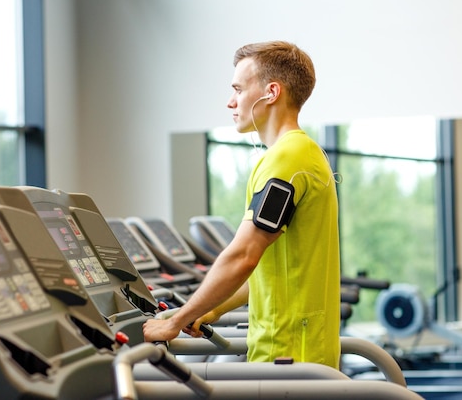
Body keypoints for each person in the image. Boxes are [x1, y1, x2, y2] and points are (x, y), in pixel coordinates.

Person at [143, 40, 341, 368]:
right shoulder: (300, 153)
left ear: (271, 92)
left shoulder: (287, 159)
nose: (230, 102)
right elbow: (266, 272)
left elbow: (243, 257)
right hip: (294, 347)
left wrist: (173, 323)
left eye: (238, 89)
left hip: (289, 353)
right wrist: (210, 308)